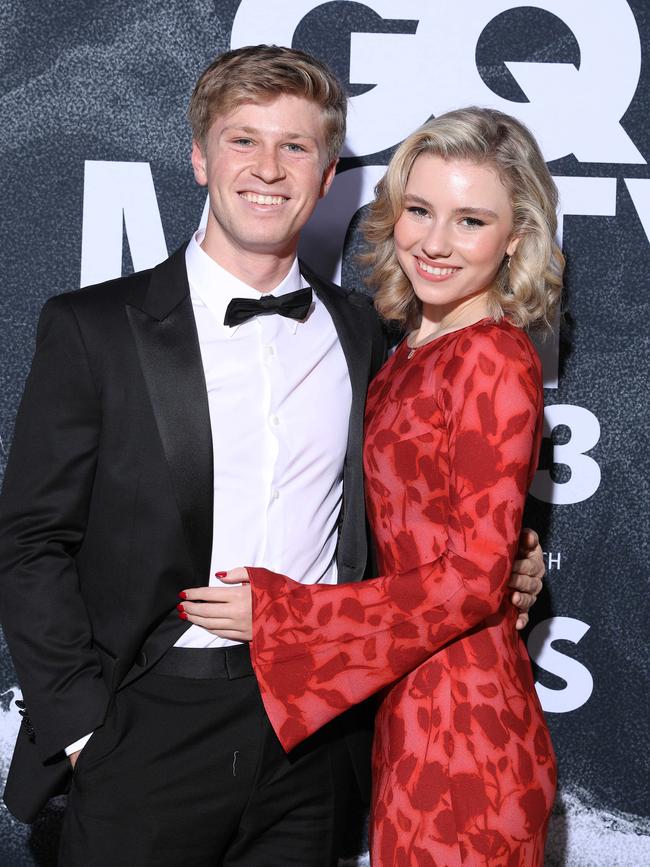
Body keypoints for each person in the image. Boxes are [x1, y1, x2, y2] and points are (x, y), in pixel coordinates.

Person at [0, 42, 543, 867]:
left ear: (328, 176)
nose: (268, 168)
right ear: (198, 156)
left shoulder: (364, 334)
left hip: (319, 733)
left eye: (296, 146)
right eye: (242, 139)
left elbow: (445, 510)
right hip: (148, 722)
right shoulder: (94, 328)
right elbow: (29, 540)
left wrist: (509, 562)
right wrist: (81, 730)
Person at [190, 107, 562, 866]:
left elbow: (469, 578)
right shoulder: (407, 348)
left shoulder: (492, 357)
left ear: (516, 237)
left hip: (463, 727)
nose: (433, 241)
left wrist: (289, 616)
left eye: (470, 221)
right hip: (411, 703)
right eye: (421, 210)